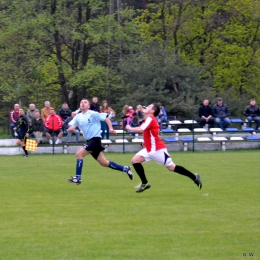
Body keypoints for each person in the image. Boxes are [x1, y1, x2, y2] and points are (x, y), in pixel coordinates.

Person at [125, 103, 202, 193]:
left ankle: (195, 177)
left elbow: (141, 129)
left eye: (149, 107)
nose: (146, 107)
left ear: (152, 111)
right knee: (135, 161)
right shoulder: (149, 119)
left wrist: (130, 127)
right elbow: (151, 132)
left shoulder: (150, 118)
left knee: (172, 167)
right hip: (150, 149)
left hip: (158, 149)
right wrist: (145, 141)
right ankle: (145, 183)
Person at [67, 98, 133, 185]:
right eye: (81, 102)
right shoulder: (78, 116)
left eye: (85, 102)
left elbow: (106, 118)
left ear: (88, 106)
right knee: (104, 163)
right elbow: (70, 128)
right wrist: (70, 130)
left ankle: (78, 178)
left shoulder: (93, 114)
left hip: (95, 140)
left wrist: (110, 128)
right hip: (89, 141)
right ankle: (125, 169)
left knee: (79, 154)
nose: (83, 103)